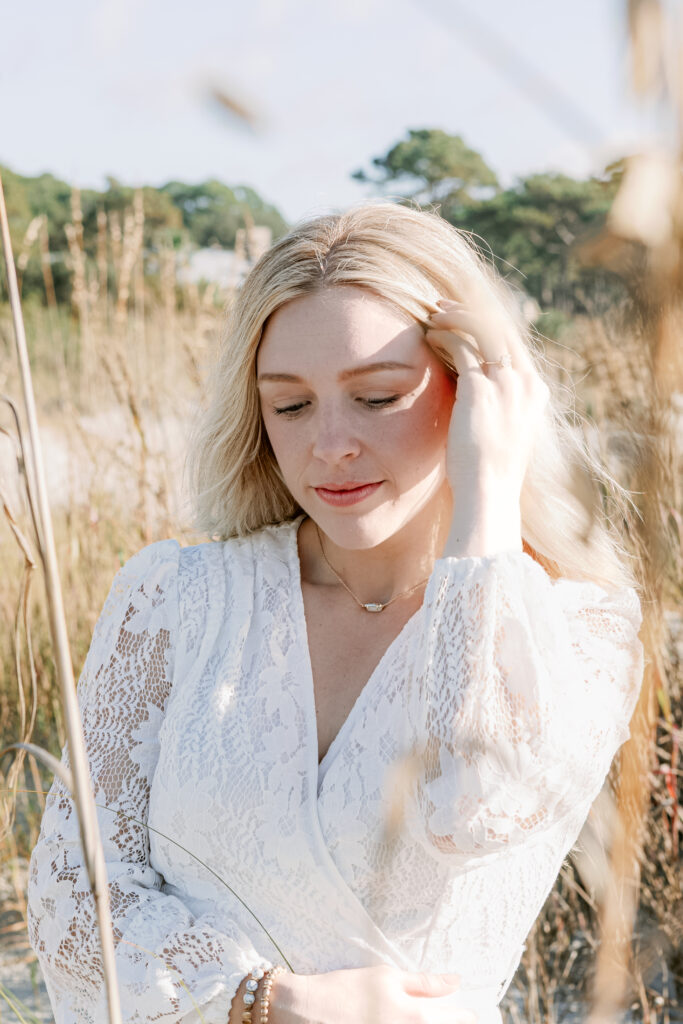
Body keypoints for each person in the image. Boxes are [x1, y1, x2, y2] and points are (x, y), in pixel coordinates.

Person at [26, 200, 646, 1024]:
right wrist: (260, 1000)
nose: (328, 447)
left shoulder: (577, 632)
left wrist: (488, 492)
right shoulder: (174, 599)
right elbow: (70, 898)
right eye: (290, 406)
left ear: (478, 395)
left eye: (379, 397)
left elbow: (480, 806)